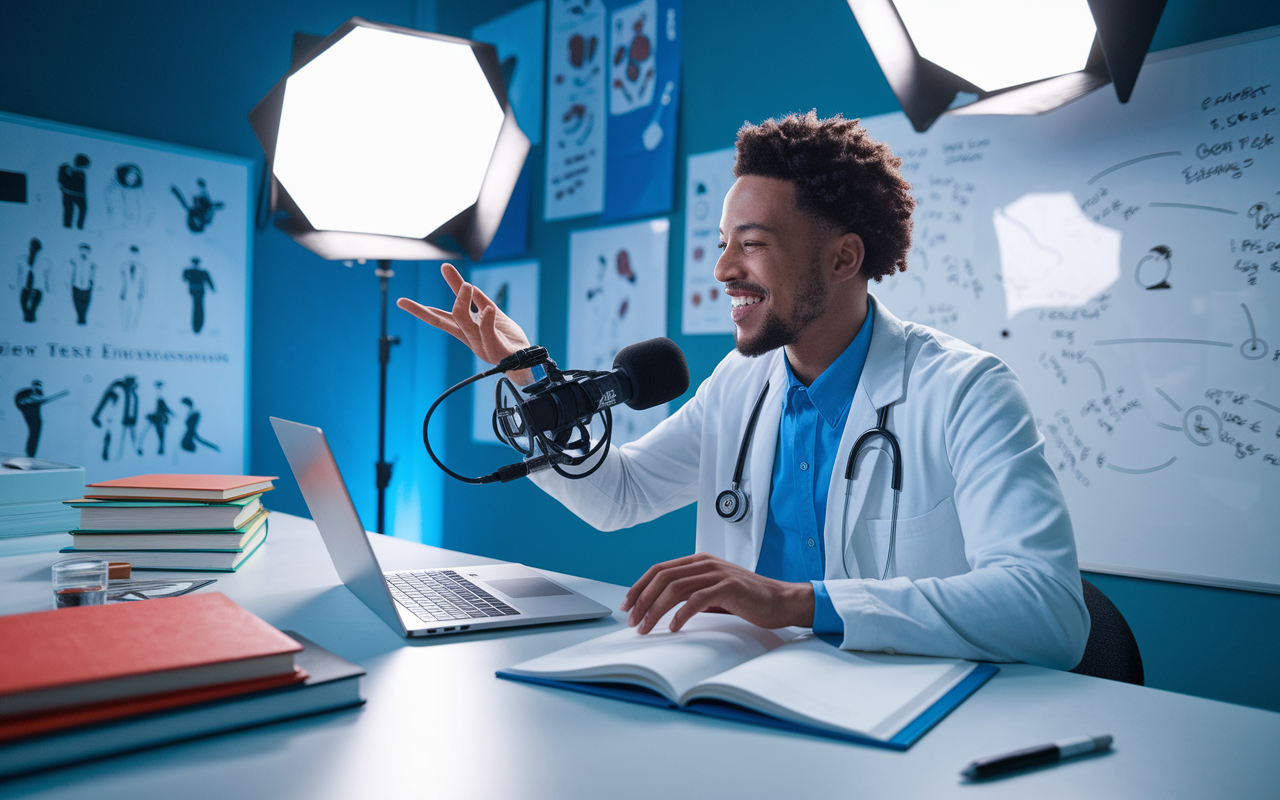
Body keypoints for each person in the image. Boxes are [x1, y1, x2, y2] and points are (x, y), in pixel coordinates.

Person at [398, 112, 1089, 670]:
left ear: (844, 257)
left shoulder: (967, 392)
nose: (724, 268)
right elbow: (620, 496)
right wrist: (527, 372)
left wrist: (797, 601)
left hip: (908, 719)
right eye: (723, 241)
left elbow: (1048, 610)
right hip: (747, 693)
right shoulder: (743, 382)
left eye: (751, 243)